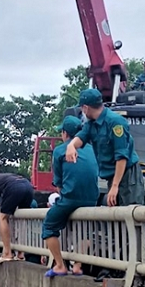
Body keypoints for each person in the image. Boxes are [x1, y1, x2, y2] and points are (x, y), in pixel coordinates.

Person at [64, 88, 144, 207]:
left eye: (82, 108)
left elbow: (121, 157)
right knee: (115, 217)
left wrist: (115, 186)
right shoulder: (91, 124)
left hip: (127, 175)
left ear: (86, 108)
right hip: (113, 176)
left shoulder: (115, 122)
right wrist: (71, 146)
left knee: (129, 214)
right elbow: (81, 137)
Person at [43, 116, 100, 278]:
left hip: (71, 198)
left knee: (49, 226)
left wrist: (65, 200)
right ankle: (77, 266)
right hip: (92, 199)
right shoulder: (92, 149)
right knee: (85, 232)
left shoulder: (60, 150)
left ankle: (60, 265)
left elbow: (59, 183)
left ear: (65, 133)